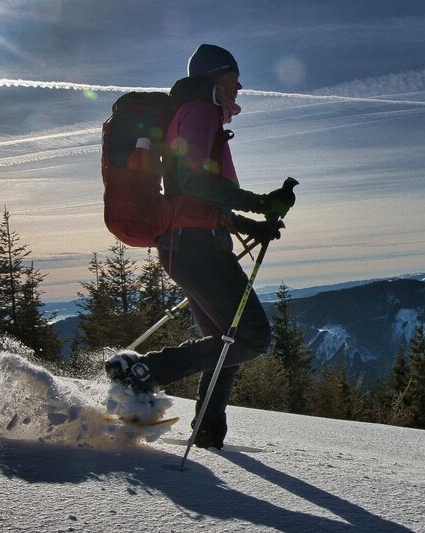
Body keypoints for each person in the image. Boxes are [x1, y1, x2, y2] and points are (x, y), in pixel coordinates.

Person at [105, 44, 295, 449]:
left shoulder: (197, 111)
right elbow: (192, 182)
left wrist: (247, 224)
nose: (239, 85)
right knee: (250, 339)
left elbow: (193, 195)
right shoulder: (200, 109)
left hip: (194, 240)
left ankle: (208, 433)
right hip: (193, 245)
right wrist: (260, 203)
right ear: (215, 75)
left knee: (227, 341)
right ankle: (142, 372)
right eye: (233, 76)